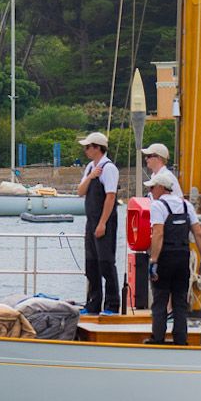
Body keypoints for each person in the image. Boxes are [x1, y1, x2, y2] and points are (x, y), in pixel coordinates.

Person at [143, 170, 201, 345]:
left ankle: (158, 338)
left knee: (160, 299)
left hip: (165, 257)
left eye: (153, 188)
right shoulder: (186, 205)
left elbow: (158, 234)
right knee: (179, 300)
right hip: (183, 256)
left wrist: (153, 261)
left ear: (161, 188)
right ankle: (180, 339)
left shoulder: (157, 206)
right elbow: (198, 233)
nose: (151, 192)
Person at [76, 131, 120, 314]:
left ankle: (112, 304)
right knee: (91, 263)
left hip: (105, 222)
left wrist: (102, 223)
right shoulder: (90, 168)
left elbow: (110, 197)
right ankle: (93, 303)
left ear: (97, 148)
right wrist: (91, 176)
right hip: (90, 221)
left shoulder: (109, 168)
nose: (86, 150)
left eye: (88, 147)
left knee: (106, 263)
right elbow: (80, 191)